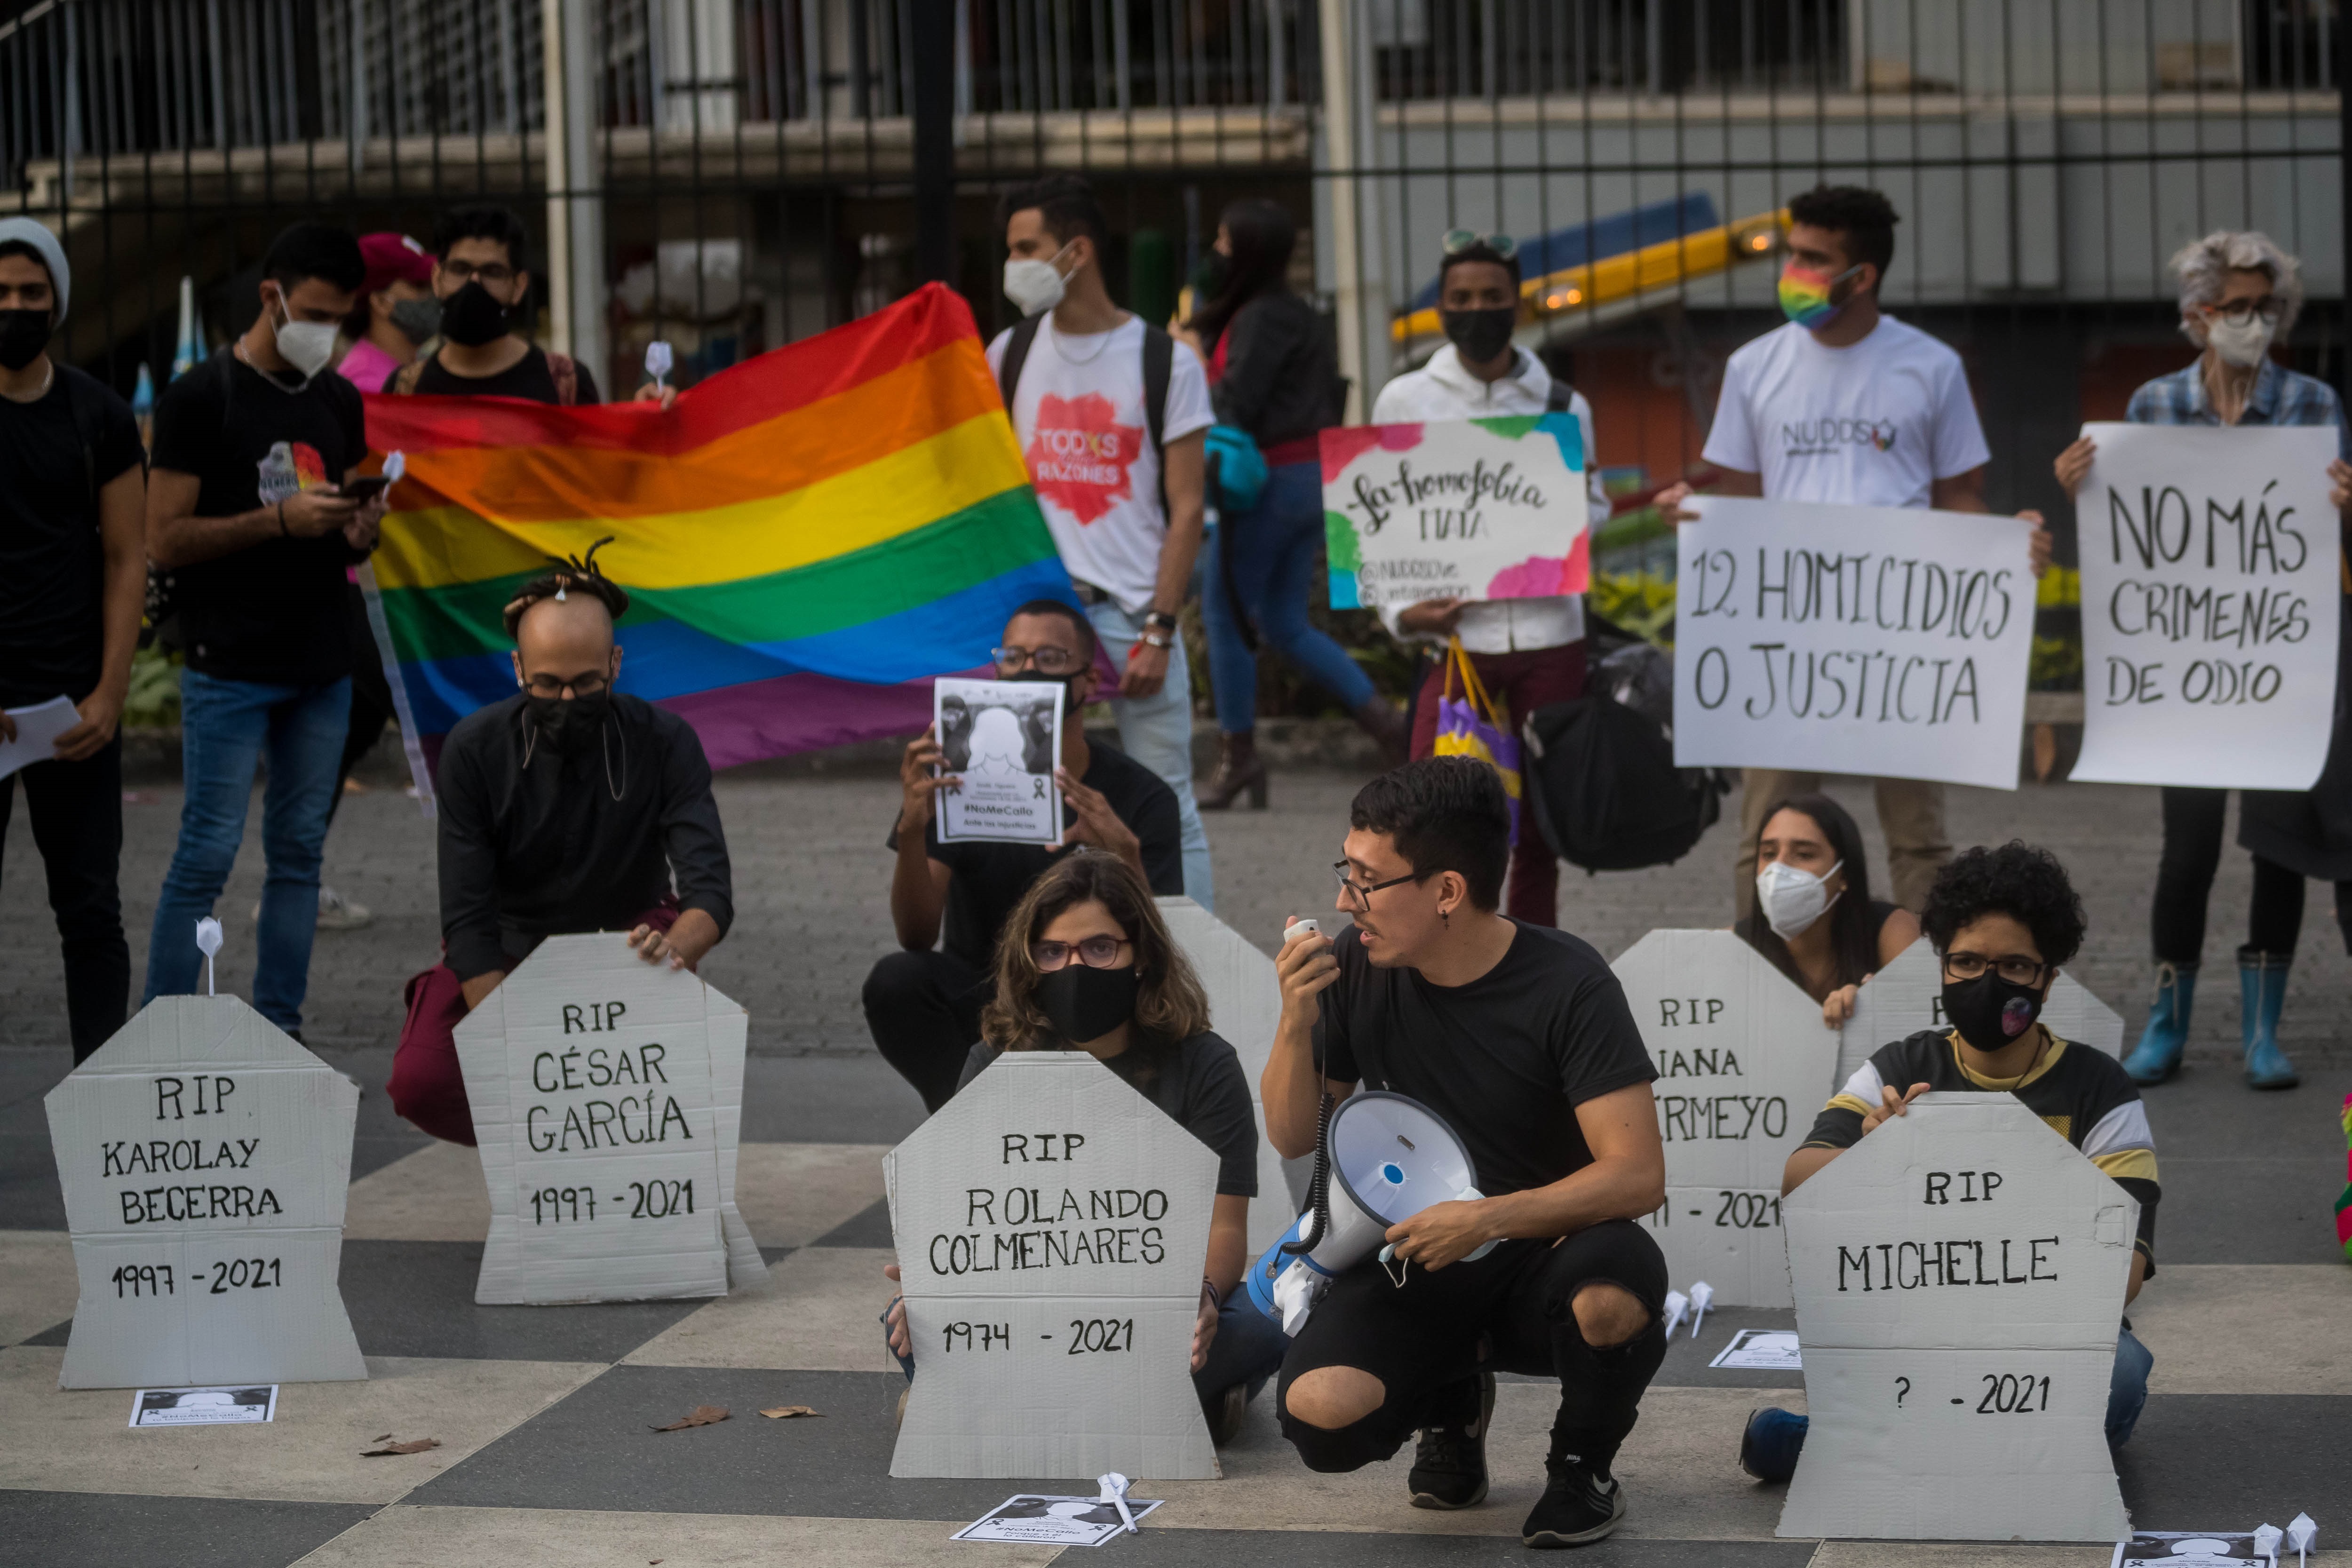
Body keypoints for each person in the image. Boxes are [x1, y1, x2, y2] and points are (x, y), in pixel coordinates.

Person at [1266, 757, 1669, 1547]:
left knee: (1612, 1297)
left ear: (1447, 890)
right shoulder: (1355, 961)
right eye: (1345, 871)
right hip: (1418, 1254)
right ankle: (1451, 1402)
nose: (1347, 897)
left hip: (1548, 1249)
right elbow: (1290, 1135)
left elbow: (1638, 1173)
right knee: (1320, 1415)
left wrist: (1485, 1217)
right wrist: (1293, 1021)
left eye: (1368, 879)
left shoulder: (1569, 981)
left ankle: (1581, 1464)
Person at [1655, 184, 2053, 918]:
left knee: (1918, 839)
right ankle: (1765, 987)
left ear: (1861, 276)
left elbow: (1958, 493)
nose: (1793, 270)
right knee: (1767, 835)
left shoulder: (1929, 367)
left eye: (1814, 258)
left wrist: (2007, 541)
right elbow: (1740, 497)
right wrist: (1698, 516)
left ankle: (1931, 999)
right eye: (1792, 253)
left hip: (1898, 639)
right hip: (1785, 641)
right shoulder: (1754, 367)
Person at [1738, 841, 2161, 1480]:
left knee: (2120, 1377)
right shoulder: (1901, 1065)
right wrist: (1875, 1157)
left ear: (2048, 976)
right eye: (1965, 961)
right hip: (1918, 1330)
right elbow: (1799, 1176)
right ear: (1941, 965)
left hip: (2051, 1336)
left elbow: (2125, 1271)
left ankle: (1854, 1443)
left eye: (2015, 964)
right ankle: (1988, 1452)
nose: (1987, 981)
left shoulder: (2099, 1088)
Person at [2051, 231, 2352, 1092]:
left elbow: (2331, 539)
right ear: (2198, 315)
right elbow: (2129, 532)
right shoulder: (2153, 407)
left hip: (2277, 668)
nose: (2251, 321)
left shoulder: (2311, 402)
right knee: (2187, 851)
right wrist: (2082, 482)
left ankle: (2264, 1029)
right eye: (2234, 307)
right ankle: (2167, 1022)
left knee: (2278, 848)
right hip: (2185, 678)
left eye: (2266, 306)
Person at [880, 851, 1288, 1442]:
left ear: (1141, 955)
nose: (1075, 968)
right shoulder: (994, 1062)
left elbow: (1226, 1227)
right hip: (1025, 1311)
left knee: (1266, 1319)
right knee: (903, 1320)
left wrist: (1198, 1298)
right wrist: (928, 1287)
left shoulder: (1205, 1066)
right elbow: (959, 1213)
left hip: (1154, 1310)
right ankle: (1177, 1403)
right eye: (1052, 953)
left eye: (1099, 948)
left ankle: (991, 1402)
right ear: (1030, 964)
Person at [387, 549, 733, 1144]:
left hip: (632, 947)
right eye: (548, 684)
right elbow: (467, 922)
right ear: (518, 668)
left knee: (671, 1081)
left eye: (587, 684)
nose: (568, 702)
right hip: (510, 945)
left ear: (616, 664)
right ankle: (546, 1165)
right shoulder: (474, 750)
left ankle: (618, 1174)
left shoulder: (666, 741)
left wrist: (671, 952)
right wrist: (519, 1047)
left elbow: (711, 895)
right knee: (424, 1078)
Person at [142, 222, 388, 1038]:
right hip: (229, 661)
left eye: (341, 318)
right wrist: (275, 521)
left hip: (320, 661)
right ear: (271, 296)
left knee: (299, 858)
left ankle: (281, 1029)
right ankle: (164, 1032)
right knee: (205, 856)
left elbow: (343, 526)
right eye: (315, 312)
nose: (328, 333)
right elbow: (164, 538)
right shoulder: (199, 397)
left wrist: (358, 527)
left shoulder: (336, 398)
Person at [1368, 231, 1616, 926]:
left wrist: (1572, 510)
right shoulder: (1405, 400)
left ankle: (1535, 965)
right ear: (1441, 307)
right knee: (1427, 817)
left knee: (1540, 827)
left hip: (1551, 637)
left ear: (1519, 303)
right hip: (1456, 645)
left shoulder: (1564, 403)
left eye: (1492, 297)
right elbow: (1373, 525)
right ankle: (1432, 955)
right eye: (1461, 298)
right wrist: (1402, 613)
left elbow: (1593, 508)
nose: (1477, 309)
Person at [989, 174, 1217, 910]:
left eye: (1027, 247)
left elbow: (1187, 510)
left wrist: (1160, 626)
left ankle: (1193, 969)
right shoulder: (1008, 354)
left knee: (1169, 806)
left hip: (1130, 619)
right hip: (1040, 631)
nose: (1013, 263)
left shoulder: (1165, 360)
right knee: (1025, 806)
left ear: (1076, 251)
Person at [864, 599, 1185, 1114]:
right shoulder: (958, 783)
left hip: (1087, 989)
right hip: (984, 989)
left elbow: (1166, 953)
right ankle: (963, 1124)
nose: (1029, 671)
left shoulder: (1141, 798)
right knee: (896, 980)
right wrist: (911, 828)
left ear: (1089, 680)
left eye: (1052, 658)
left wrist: (1123, 854)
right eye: (1013, 658)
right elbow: (916, 934)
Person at [0, 217, 145, 1061]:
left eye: (31, 293)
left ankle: (102, 1090)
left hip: (74, 713)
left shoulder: (99, 415)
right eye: (2, 294)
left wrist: (110, 693)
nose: (16, 308)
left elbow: (129, 556)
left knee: (91, 910)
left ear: (57, 298)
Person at [1192, 199, 1392, 809]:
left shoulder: (1260, 318)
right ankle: (1393, 729)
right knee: (1282, 622)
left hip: (1269, 483)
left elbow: (1236, 403)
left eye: (1225, 242)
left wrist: (1191, 367)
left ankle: (1239, 756)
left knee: (1223, 611)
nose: (1216, 254)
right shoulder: (1296, 312)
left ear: (1247, 252)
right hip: (1309, 480)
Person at [303, 232, 439, 934]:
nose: (436, 299)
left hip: (389, 588)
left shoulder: (399, 374)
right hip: (372, 590)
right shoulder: (366, 382)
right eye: (421, 289)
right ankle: (296, 880)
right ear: (382, 299)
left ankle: (297, 878)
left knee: (349, 734)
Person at [1736, 793, 1920, 1029]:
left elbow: (1923, 1020)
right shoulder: (1735, 946)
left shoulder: (1891, 930)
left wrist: (1882, 1005)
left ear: (1843, 874)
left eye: (1804, 855)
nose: (1779, 868)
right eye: (1769, 855)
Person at [389, 206, 602, 404]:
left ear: (519, 286)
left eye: (493, 273)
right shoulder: (404, 390)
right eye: (460, 269)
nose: (474, 284)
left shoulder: (566, 384)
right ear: (437, 279)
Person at [336, 232, 438, 395]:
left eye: (432, 283)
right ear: (381, 302)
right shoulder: (368, 383)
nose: (434, 294)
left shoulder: (403, 366)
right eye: (419, 286)